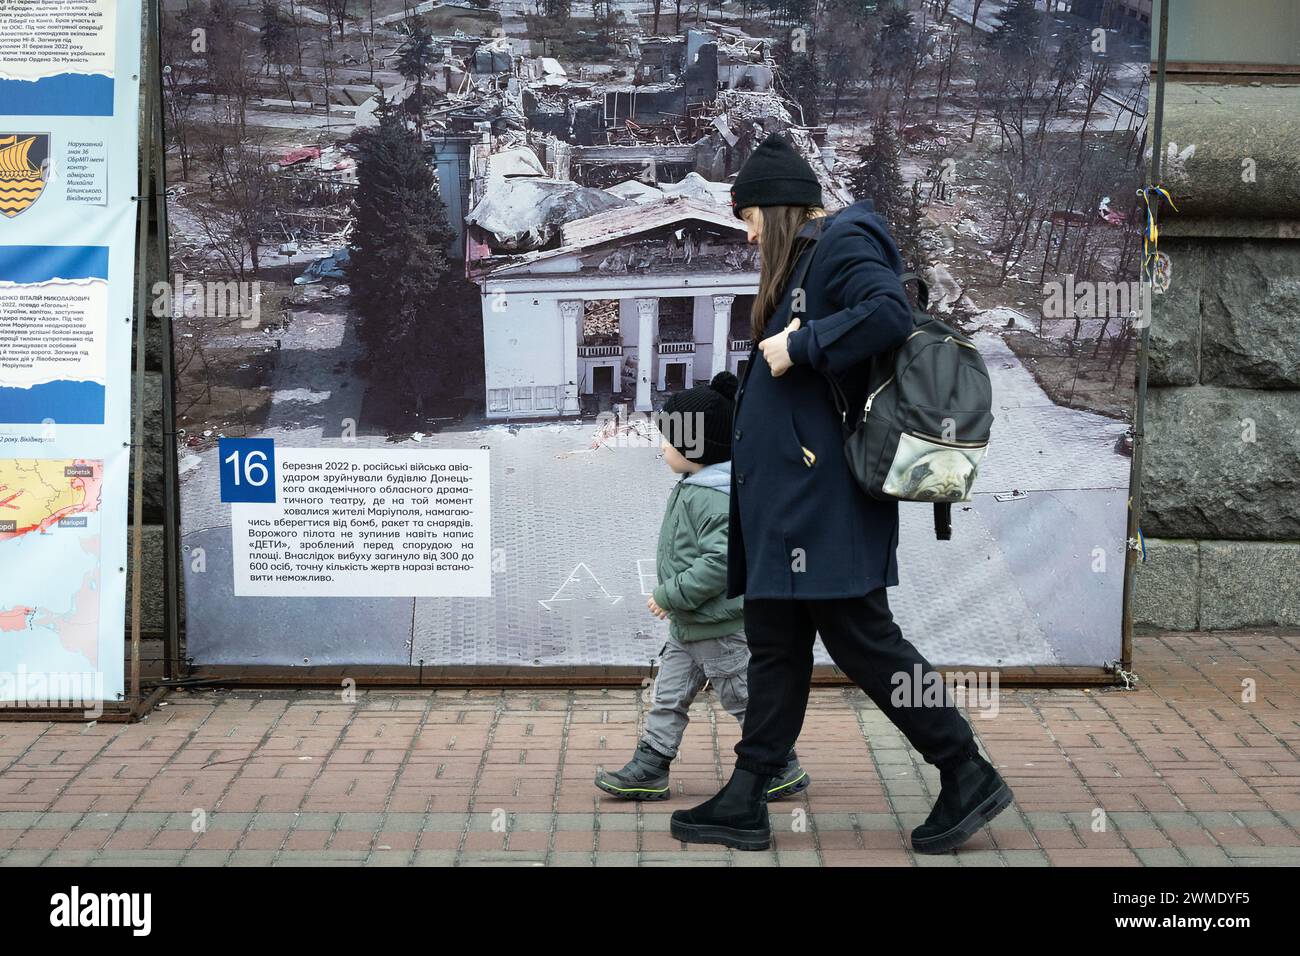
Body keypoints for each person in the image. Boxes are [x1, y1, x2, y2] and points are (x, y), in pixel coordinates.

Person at [669, 132, 1013, 853]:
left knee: (864, 642)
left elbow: (885, 312)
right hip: (785, 507)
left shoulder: (845, 237)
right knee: (776, 648)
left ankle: (964, 768)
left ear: (778, 206)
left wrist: (798, 347)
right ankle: (746, 795)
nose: (748, 230)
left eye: (750, 215)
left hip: (821, 504)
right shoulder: (802, 261)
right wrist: (753, 389)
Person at [595, 372, 808, 803]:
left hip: (721, 628)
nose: (661, 449)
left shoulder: (714, 496)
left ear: (696, 447)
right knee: (668, 698)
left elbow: (721, 563)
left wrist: (669, 594)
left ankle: (781, 764)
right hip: (688, 627)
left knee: (743, 699)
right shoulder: (695, 487)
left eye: (668, 442)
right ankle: (651, 767)